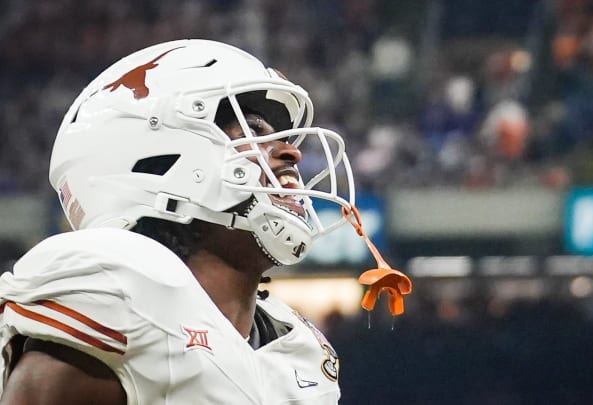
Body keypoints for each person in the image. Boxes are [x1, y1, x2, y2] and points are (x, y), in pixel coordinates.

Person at [0, 39, 410, 404]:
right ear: (153, 156)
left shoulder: (300, 350)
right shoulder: (115, 289)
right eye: (252, 131)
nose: (292, 154)